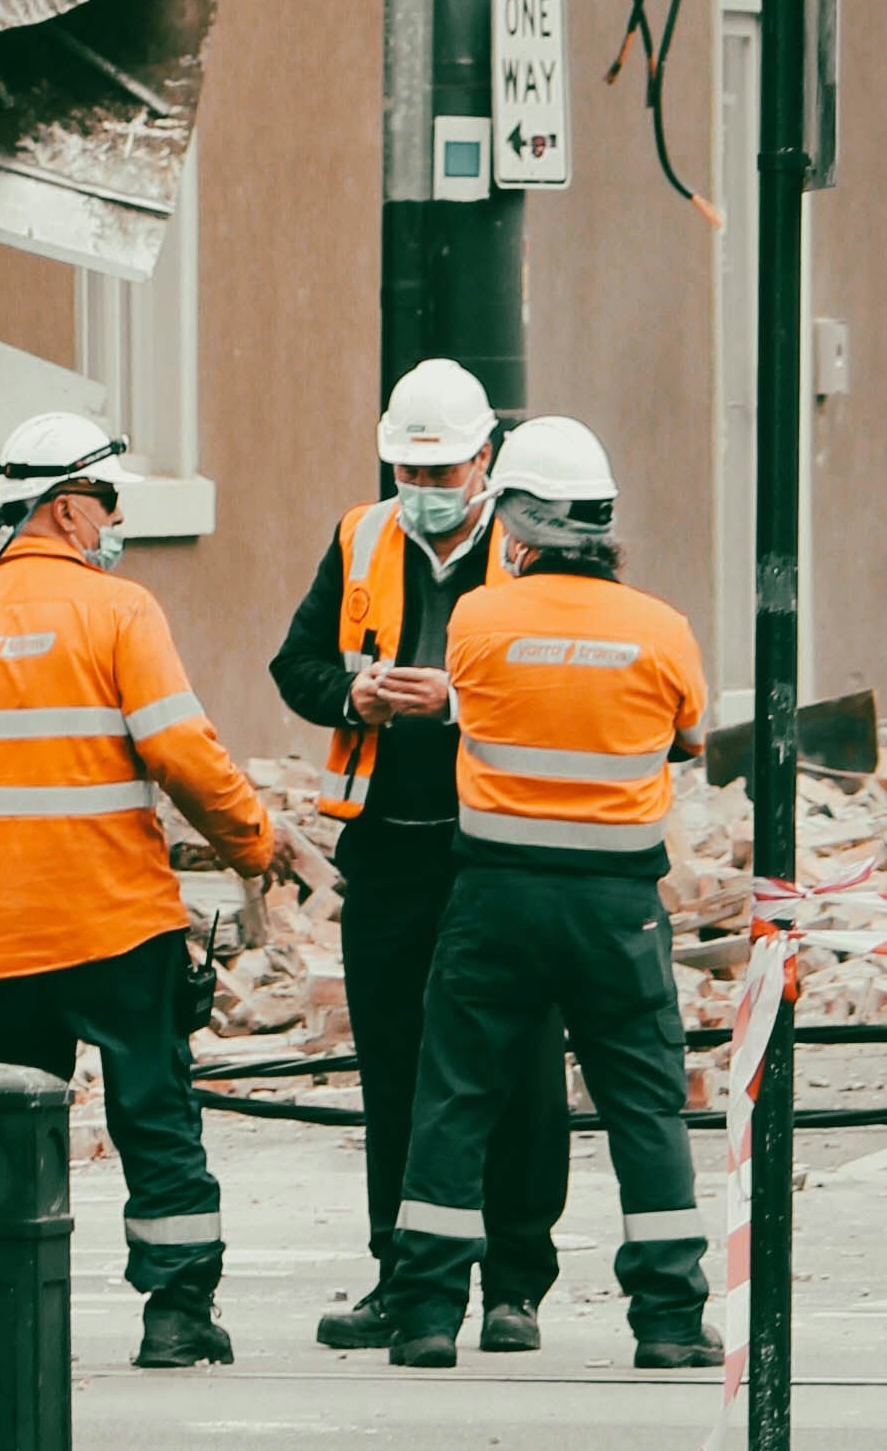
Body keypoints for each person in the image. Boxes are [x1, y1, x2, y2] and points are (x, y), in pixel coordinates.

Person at [0, 411, 282, 1370]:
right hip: (118, 926)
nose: (116, 517)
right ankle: (176, 1318)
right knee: (155, 1119)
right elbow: (179, 750)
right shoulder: (120, 612)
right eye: (109, 499)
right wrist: (252, 843)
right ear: (67, 506)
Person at [380, 415, 722, 1370]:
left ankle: (425, 1316)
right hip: (617, 905)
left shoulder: (479, 619)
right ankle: (665, 1319)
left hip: (496, 899)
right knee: (644, 1108)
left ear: (522, 529)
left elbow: (461, 704)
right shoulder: (662, 629)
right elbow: (690, 738)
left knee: (454, 1100)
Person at [266, 358, 570, 1354]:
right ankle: (405, 1275)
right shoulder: (361, 539)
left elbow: (558, 687)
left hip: (495, 849)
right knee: (397, 1070)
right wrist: (353, 699)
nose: (427, 493)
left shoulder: (530, 549)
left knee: (516, 1065)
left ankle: (515, 1283)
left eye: (444, 474)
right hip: (391, 850)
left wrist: (459, 701)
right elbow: (298, 663)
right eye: (411, 472)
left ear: (487, 460)